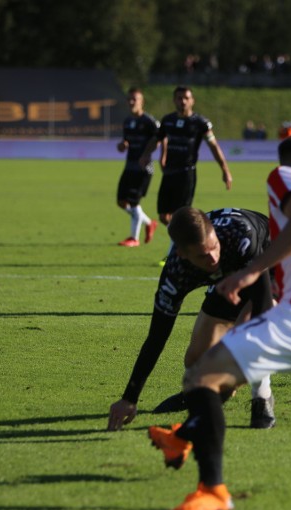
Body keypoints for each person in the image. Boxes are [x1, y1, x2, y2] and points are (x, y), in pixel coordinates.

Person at [146, 133, 291, 510]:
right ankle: (181, 438)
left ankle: (213, 490)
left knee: (200, 376)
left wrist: (252, 272)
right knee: (218, 376)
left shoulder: (285, 176)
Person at [107, 206, 277, 432]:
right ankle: (202, 392)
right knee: (195, 360)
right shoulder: (176, 273)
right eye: (202, 255)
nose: (213, 258)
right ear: (182, 254)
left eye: (214, 247)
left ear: (215, 234)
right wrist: (130, 397)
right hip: (227, 279)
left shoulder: (239, 237)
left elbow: (262, 308)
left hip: (272, 268)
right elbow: (157, 337)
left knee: (244, 342)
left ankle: (261, 398)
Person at [139, 86, 232, 227]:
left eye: (186, 98)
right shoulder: (168, 120)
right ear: (174, 100)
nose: (183, 101)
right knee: (164, 216)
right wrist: (146, 154)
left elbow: (214, 146)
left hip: (186, 173)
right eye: (179, 98)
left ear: (192, 101)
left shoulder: (201, 123)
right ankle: (185, 236)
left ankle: (184, 242)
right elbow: (156, 139)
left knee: (180, 215)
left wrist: (225, 170)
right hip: (169, 172)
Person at [115, 88, 159, 247]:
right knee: (121, 201)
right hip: (129, 165)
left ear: (142, 102)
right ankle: (149, 223)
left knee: (134, 202)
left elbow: (159, 139)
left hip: (145, 168)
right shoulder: (128, 121)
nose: (132, 102)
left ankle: (134, 238)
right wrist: (123, 145)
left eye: (135, 99)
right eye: (129, 99)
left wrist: (148, 154)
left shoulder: (149, 121)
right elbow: (126, 140)